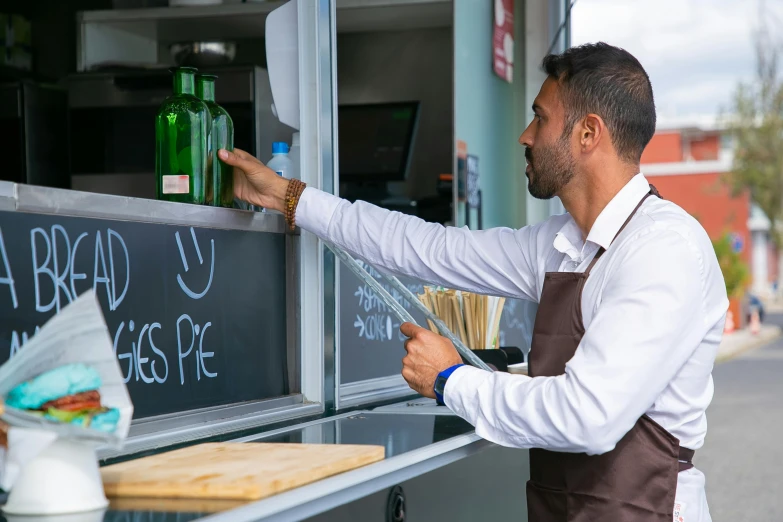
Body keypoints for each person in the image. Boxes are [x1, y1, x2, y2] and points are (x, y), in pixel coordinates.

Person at [219, 42, 726, 522]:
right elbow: (427, 248)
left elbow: (587, 416)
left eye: (541, 117)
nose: (526, 136)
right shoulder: (563, 244)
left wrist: (450, 378)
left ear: (588, 134)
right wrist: (293, 197)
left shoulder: (662, 250)